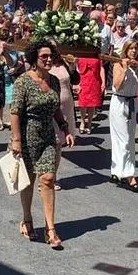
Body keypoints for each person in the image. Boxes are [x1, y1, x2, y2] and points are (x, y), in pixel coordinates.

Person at [10, 40, 75, 249]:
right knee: (28, 181)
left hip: (48, 136)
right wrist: (17, 141)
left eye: (50, 56)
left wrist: (65, 128)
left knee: (47, 178)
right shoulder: (23, 81)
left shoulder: (54, 81)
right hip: (27, 137)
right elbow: (15, 113)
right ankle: (27, 219)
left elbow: (56, 108)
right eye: (43, 57)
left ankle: (50, 228)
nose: (48, 60)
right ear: (34, 59)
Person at [110, 39, 138, 192]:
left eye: (136, 49)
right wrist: (125, 69)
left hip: (132, 103)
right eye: (131, 48)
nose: (133, 51)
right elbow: (117, 85)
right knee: (123, 139)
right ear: (125, 50)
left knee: (129, 139)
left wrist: (137, 70)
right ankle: (129, 175)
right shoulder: (118, 64)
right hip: (119, 102)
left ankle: (117, 170)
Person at [48, 42, 79, 190]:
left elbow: (75, 80)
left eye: (56, 47)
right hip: (51, 107)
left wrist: (73, 67)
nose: (55, 50)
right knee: (50, 143)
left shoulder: (64, 62)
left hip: (66, 106)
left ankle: (53, 176)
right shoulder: (44, 64)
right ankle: (46, 176)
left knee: (59, 143)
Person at [1, 27, 25, 130]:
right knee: (1, 100)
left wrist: (15, 69)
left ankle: (12, 121)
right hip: (1, 77)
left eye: (8, 39)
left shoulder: (14, 49)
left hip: (12, 77)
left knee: (12, 99)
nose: (7, 42)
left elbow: (20, 61)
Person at [76, 52, 104, 134]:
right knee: (83, 103)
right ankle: (82, 121)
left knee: (92, 104)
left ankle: (89, 123)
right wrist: (76, 83)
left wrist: (103, 83)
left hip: (94, 81)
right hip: (83, 81)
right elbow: (75, 69)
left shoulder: (96, 54)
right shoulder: (80, 54)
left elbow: (101, 68)